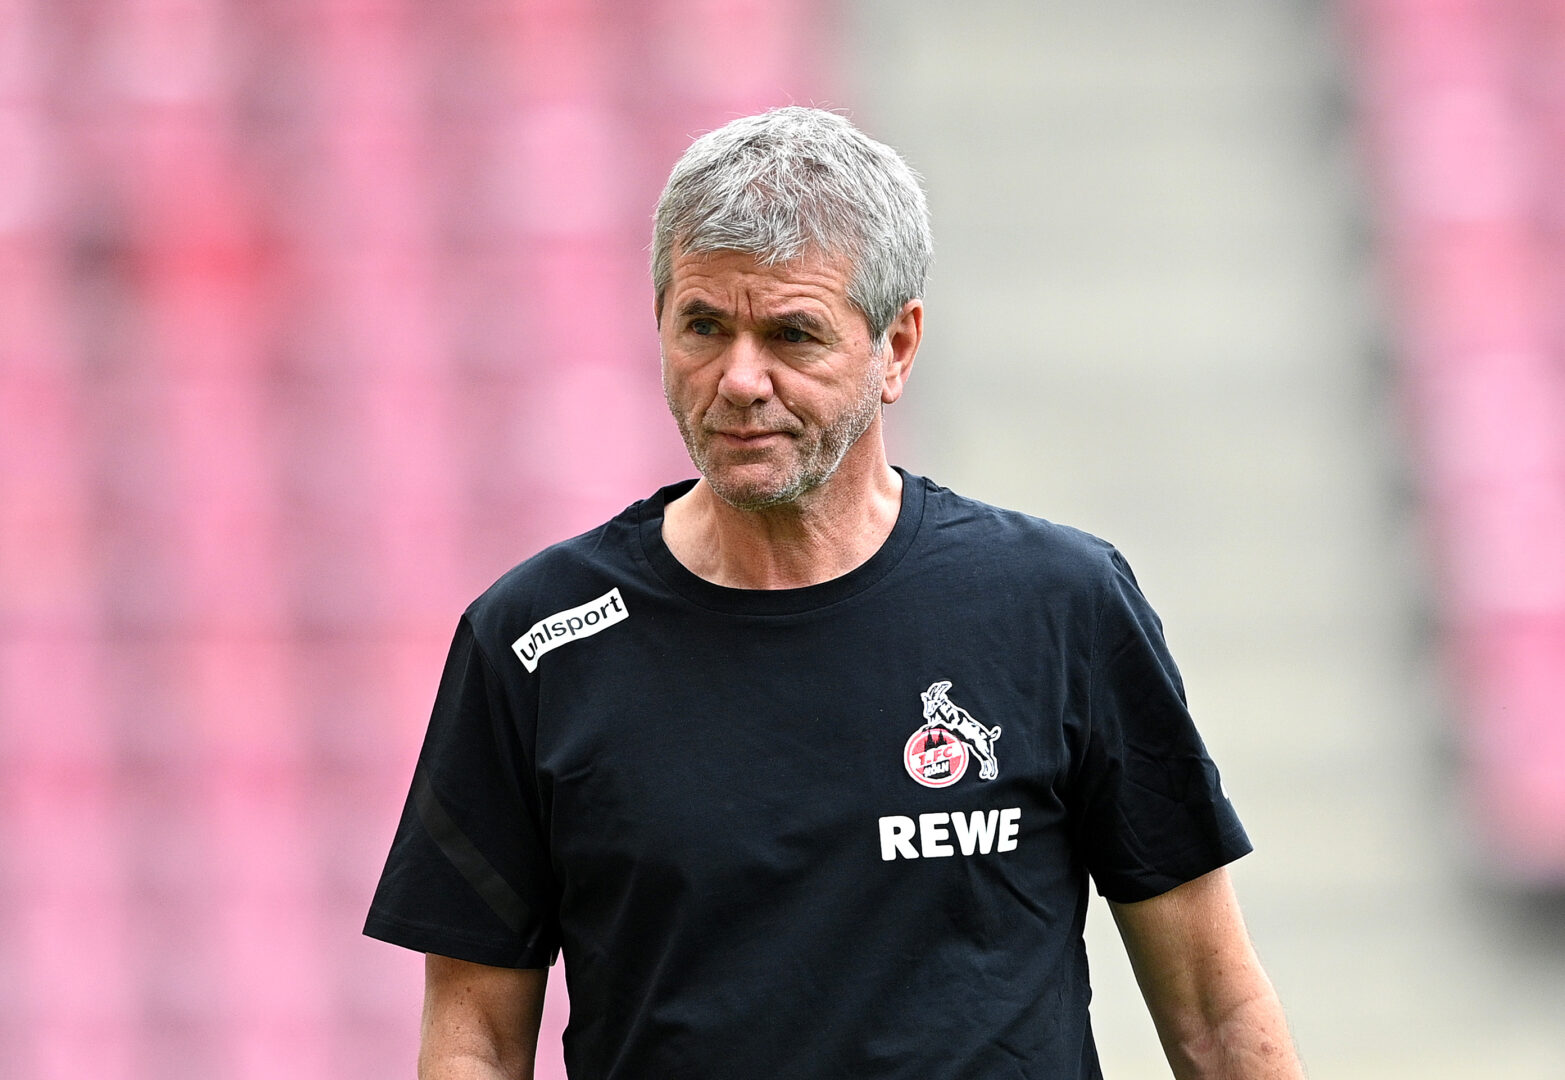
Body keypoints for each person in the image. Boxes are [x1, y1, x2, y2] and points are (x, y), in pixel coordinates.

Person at [365, 106, 1305, 1080]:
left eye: (791, 334)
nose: (736, 379)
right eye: (702, 326)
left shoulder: (1058, 606)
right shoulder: (532, 642)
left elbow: (1213, 1013)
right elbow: (473, 1037)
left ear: (895, 348)